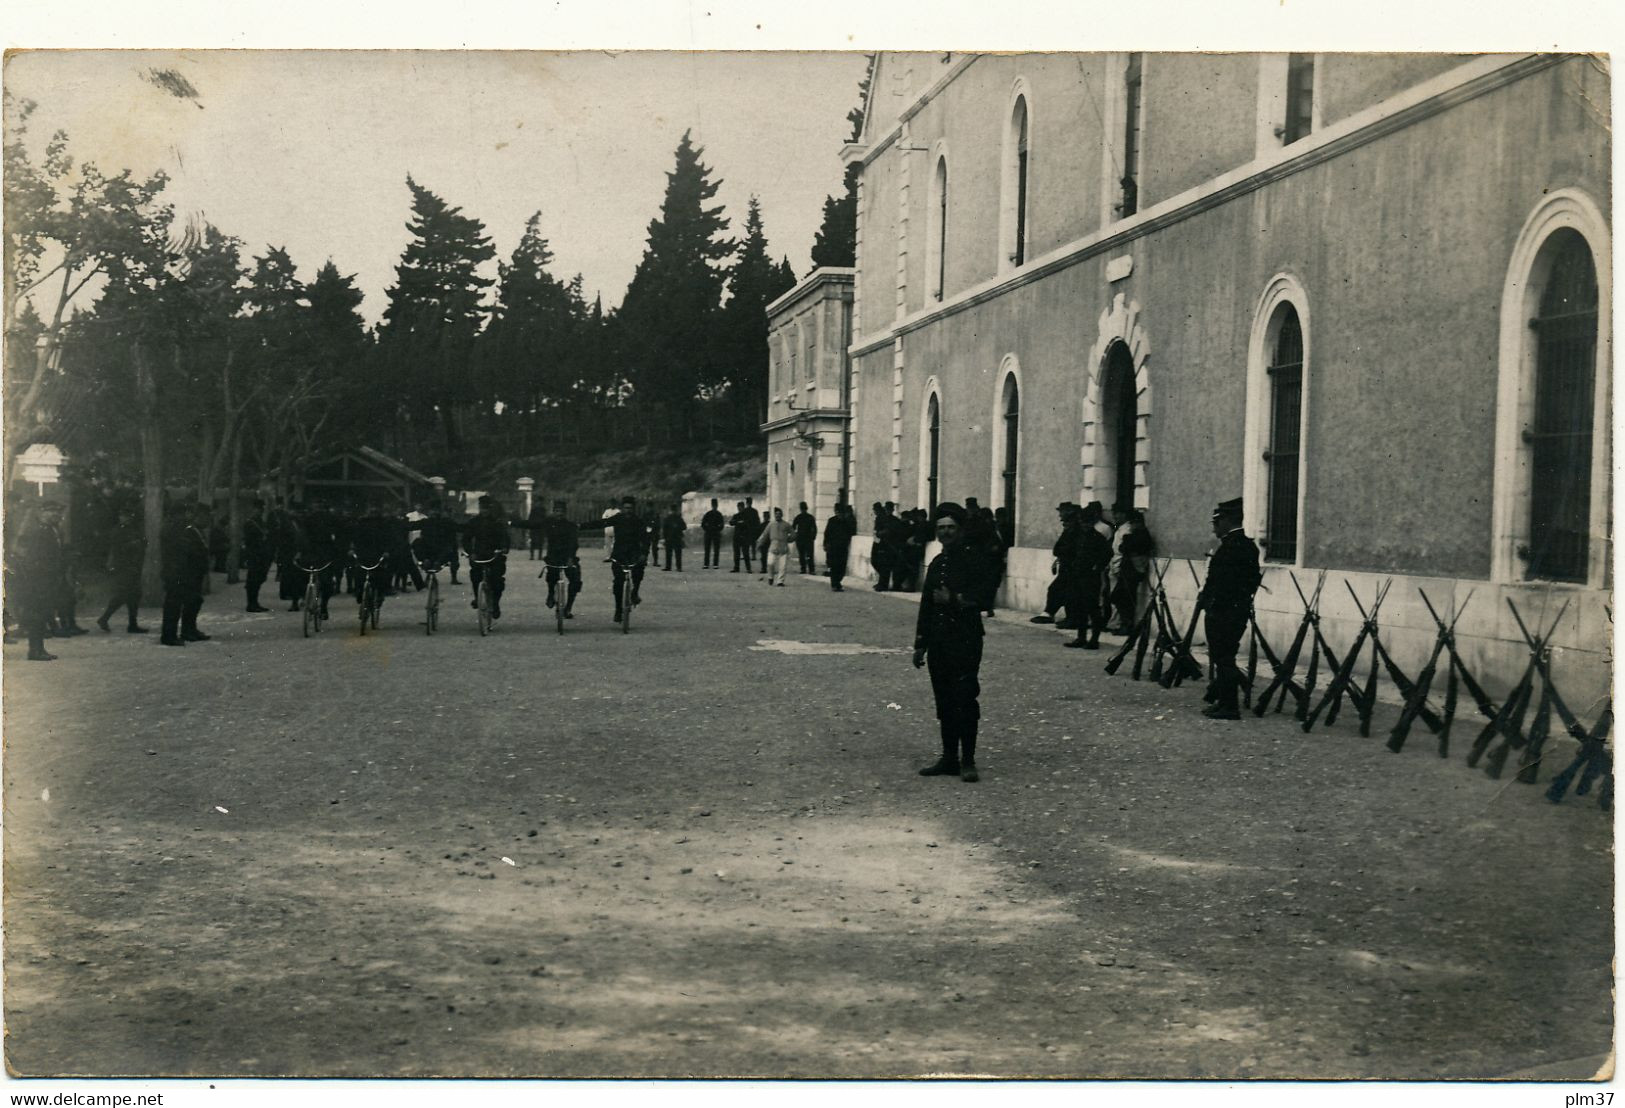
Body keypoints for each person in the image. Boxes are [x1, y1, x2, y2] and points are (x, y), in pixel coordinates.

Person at [912, 502, 997, 783]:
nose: (945, 532)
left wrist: (956, 600)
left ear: (959, 530)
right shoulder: (937, 563)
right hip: (938, 642)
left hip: (965, 639)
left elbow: (985, 596)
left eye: (950, 527)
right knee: (944, 699)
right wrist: (920, 643)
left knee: (965, 697)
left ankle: (968, 761)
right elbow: (926, 604)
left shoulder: (975, 559)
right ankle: (949, 758)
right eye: (941, 528)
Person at [1198, 497, 1262, 720]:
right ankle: (1224, 701)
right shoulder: (1242, 545)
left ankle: (1230, 707)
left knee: (1223, 658)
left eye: (1217, 521)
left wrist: (1213, 604)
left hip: (1226, 612)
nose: (1215, 527)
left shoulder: (1233, 548)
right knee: (1223, 657)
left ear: (1227, 520)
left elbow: (1225, 584)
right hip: (1233, 610)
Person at [577, 495, 646, 622]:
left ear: (634, 508)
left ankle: (635, 592)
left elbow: (645, 539)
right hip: (619, 554)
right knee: (618, 582)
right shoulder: (618, 518)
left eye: (630, 508)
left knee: (639, 571)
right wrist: (581, 526)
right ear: (622, 508)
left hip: (634, 553)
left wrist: (643, 554)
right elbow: (602, 523)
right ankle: (618, 609)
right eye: (625, 508)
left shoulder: (638, 521)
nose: (628, 511)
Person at [12, 502, 65, 660]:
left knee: (42, 614)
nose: (55, 515)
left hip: (47, 579)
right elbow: (33, 559)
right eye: (50, 512)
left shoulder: (52, 531)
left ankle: (39, 649)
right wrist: (40, 577)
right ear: (42, 513)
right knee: (37, 615)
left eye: (56, 512)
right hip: (38, 581)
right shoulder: (39, 532)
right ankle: (34, 650)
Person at [160, 502, 212, 646]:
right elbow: (183, 551)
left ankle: (188, 630)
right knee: (174, 605)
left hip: (183, 572)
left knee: (190, 601)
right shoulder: (175, 529)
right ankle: (170, 636)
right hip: (177, 572)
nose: (187, 517)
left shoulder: (180, 529)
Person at [1064, 502, 1115, 650]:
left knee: (1092, 608)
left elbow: (1108, 554)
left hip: (1091, 578)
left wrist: (1097, 566)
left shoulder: (1097, 538)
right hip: (1077, 575)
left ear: (1091, 523)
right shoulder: (1078, 537)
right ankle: (1081, 637)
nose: (1084, 526)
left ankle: (1094, 639)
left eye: (1087, 523)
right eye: (1082, 523)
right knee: (1079, 607)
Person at [97, 503, 150, 632]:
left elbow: (143, 543)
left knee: (133, 595)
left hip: (134, 566)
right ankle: (107, 619)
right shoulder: (118, 531)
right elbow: (117, 550)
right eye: (123, 516)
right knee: (125, 595)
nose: (125, 518)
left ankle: (130, 624)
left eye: (128, 516)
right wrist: (133, 544)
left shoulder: (134, 529)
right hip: (123, 567)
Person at [462, 496, 512, 620]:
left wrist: (504, 548)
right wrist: (470, 552)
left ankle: (495, 604)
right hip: (478, 554)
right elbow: (466, 538)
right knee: (475, 575)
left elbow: (505, 538)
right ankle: (477, 597)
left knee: (497, 580)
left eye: (486, 509)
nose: (484, 511)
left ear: (490, 509)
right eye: (482, 508)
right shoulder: (473, 522)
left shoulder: (497, 522)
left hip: (494, 555)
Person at [1031, 504, 1081, 626]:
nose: (1061, 519)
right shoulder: (1069, 531)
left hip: (1073, 567)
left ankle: (1069, 618)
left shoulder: (1076, 532)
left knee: (1068, 592)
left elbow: (1066, 549)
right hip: (1066, 566)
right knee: (1058, 590)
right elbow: (1058, 549)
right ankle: (1050, 613)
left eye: (1066, 521)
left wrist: (1062, 553)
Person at [1109, 510, 1155, 633]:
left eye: (1134, 523)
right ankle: (1126, 623)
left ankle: (1127, 625)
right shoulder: (1134, 534)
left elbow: (1125, 548)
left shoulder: (1141, 535)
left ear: (1139, 523)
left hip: (1133, 572)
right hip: (1127, 571)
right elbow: (1123, 548)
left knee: (1126, 599)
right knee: (1118, 597)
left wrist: (1127, 541)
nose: (1132, 526)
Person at [539, 502, 583, 618]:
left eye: (561, 511)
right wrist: (511, 523)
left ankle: (568, 608)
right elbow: (532, 524)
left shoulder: (570, 526)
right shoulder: (548, 523)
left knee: (575, 580)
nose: (559, 514)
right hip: (553, 556)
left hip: (568, 556)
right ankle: (550, 593)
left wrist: (570, 558)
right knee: (551, 576)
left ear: (565, 513)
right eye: (557, 511)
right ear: (553, 512)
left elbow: (574, 543)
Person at [241, 500, 273, 612]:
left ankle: (254, 603)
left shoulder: (260, 523)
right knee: (253, 581)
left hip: (261, 555)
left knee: (259, 579)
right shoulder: (250, 523)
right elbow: (249, 541)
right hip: (254, 555)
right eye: (257, 509)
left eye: (260, 510)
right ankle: (251, 604)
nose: (259, 512)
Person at [823, 502, 855, 591]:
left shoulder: (846, 522)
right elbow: (827, 534)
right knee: (834, 566)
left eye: (841, 512)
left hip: (843, 547)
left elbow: (850, 533)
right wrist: (826, 544)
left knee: (842, 567)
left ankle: (838, 582)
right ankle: (835, 584)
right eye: (838, 512)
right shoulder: (832, 521)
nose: (839, 514)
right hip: (833, 547)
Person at [758, 506, 793, 586]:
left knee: (782, 566)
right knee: (770, 563)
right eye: (776, 514)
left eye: (779, 514)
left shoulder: (786, 525)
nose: (777, 516)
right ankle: (770, 577)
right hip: (773, 547)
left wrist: (788, 539)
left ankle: (780, 581)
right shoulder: (771, 524)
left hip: (783, 548)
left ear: (782, 515)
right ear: (774, 515)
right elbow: (764, 535)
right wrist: (760, 544)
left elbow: (793, 534)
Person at [792, 501, 818, 574]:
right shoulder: (809, 517)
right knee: (806, 555)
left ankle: (806, 569)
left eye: (803, 509)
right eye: (803, 509)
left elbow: (793, 527)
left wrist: (795, 535)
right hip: (805, 538)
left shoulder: (799, 517)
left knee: (804, 555)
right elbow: (815, 528)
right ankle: (809, 569)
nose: (803, 510)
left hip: (804, 538)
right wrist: (813, 537)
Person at [730, 500, 755, 573]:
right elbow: (731, 522)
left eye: (741, 507)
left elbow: (748, 524)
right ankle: (736, 567)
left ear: (743, 507)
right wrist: (739, 522)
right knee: (736, 553)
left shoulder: (747, 516)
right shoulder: (736, 515)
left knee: (746, 553)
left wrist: (738, 523)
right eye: (739, 507)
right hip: (737, 537)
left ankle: (748, 568)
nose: (740, 508)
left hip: (745, 537)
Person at [700, 498, 726, 568]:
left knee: (716, 549)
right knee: (707, 549)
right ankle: (706, 564)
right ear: (712, 506)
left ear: (716, 506)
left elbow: (722, 525)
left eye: (715, 505)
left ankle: (715, 564)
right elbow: (703, 524)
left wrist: (717, 530)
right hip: (709, 533)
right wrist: (707, 529)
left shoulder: (718, 514)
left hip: (715, 533)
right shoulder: (709, 514)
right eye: (713, 505)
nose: (714, 507)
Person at [661, 504, 688, 571]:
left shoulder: (668, 518)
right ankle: (678, 567)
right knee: (677, 554)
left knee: (669, 553)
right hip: (676, 537)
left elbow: (665, 528)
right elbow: (684, 527)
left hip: (671, 537)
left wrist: (665, 537)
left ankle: (669, 566)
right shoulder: (678, 518)